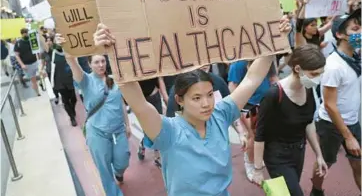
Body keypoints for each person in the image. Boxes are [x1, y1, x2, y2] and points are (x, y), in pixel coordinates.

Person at [93, 19, 291, 196]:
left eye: (209, 95)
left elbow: (252, 79)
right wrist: (112, 53)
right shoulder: (167, 130)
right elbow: (138, 103)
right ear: (180, 100)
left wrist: (276, 39)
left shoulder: (220, 114)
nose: (206, 104)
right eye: (196, 98)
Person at [55, 34, 131, 196]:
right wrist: (67, 52)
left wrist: (128, 125)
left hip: (118, 131)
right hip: (97, 133)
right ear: (89, 64)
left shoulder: (114, 80)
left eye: (103, 61)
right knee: (104, 170)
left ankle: (119, 172)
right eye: (96, 62)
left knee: (123, 159)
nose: (101, 64)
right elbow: (73, 65)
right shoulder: (86, 81)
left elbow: (121, 104)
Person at [252, 44, 328, 196]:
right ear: (298, 69)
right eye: (314, 74)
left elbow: (308, 123)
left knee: (286, 192)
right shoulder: (273, 95)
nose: (318, 79)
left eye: (320, 74)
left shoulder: (308, 88)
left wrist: (319, 155)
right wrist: (258, 169)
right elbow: (260, 134)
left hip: (298, 152)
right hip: (277, 155)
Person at [310, 11, 361, 196]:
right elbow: (330, 105)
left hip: (353, 121)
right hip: (330, 124)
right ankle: (316, 190)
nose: (360, 32)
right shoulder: (333, 65)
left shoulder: (356, 58)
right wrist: (348, 137)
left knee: (359, 164)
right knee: (325, 163)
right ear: (339, 34)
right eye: (355, 29)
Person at [228, 60, 278, 182]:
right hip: (248, 105)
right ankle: (249, 163)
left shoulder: (267, 60)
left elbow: (273, 79)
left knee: (264, 134)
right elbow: (232, 86)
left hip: (266, 103)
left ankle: (257, 156)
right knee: (252, 135)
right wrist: (238, 107)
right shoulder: (238, 65)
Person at [137, 77, 168, 168]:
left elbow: (159, 77)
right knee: (148, 130)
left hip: (154, 97)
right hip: (140, 101)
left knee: (158, 127)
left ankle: (157, 155)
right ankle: (143, 143)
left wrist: (165, 96)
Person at [52, 44, 78, 126]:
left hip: (70, 79)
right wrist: (53, 83)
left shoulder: (69, 51)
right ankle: (72, 118)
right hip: (60, 81)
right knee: (66, 100)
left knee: (74, 99)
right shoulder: (53, 53)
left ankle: (72, 110)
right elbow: (53, 68)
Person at [14, 28, 40, 96]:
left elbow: (37, 50)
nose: (26, 34)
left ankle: (40, 86)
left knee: (41, 75)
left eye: (26, 32)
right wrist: (22, 65)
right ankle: (37, 93)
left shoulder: (31, 40)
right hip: (27, 65)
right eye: (24, 33)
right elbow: (17, 55)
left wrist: (39, 58)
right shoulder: (18, 43)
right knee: (33, 80)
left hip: (35, 62)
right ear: (22, 34)